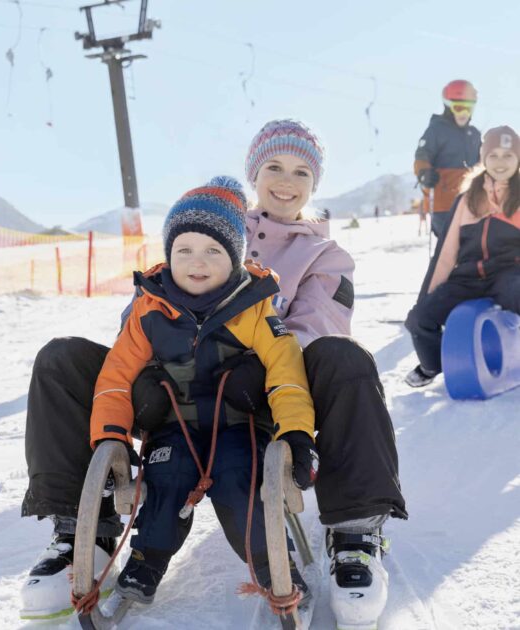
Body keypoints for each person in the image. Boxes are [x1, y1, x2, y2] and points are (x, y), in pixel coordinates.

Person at [20, 119, 407, 630]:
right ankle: (80, 533)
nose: (285, 181)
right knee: (62, 359)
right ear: (254, 172)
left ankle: (356, 533)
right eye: (273, 166)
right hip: (171, 387)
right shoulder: (205, 220)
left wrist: (246, 359)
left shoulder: (324, 256)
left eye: (299, 172)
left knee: (345, 358)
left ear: (315, 184)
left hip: (260, 394)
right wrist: (155, 372)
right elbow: (139, 320)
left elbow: (316, 333)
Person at [91, 176, 317, 606]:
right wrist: (110, 436)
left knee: (241, 485)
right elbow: (116, 378)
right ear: (169, 254)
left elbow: (287, 374)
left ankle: (273, 565)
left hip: (239, 426)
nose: (198, 262)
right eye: (184, 250)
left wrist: (296, 433)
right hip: (175, 427)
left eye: (213, 250)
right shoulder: (149, 309)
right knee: (166, 480)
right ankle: (147, 559)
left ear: (234, 258)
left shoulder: (254, 307)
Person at [405, 125, 520, 388]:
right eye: (494, 156)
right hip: (467, 279)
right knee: (419, 318)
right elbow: (446, 254)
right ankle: (432, 364)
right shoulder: (468, 199)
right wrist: (426, 298)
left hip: (509, 274)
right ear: (484, 158)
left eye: (508, 155)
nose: (500, 163)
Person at [414, 79, 481, 237]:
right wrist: (424, 172)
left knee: (472, 244)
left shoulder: (475, 134)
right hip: (443, 203)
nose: (464, 113)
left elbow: (483, 162)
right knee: (450, 243)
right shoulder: (436, 130)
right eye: (459, 108)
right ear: (448, 107)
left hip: (471, 200)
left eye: (468, 108)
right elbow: (422, 155)